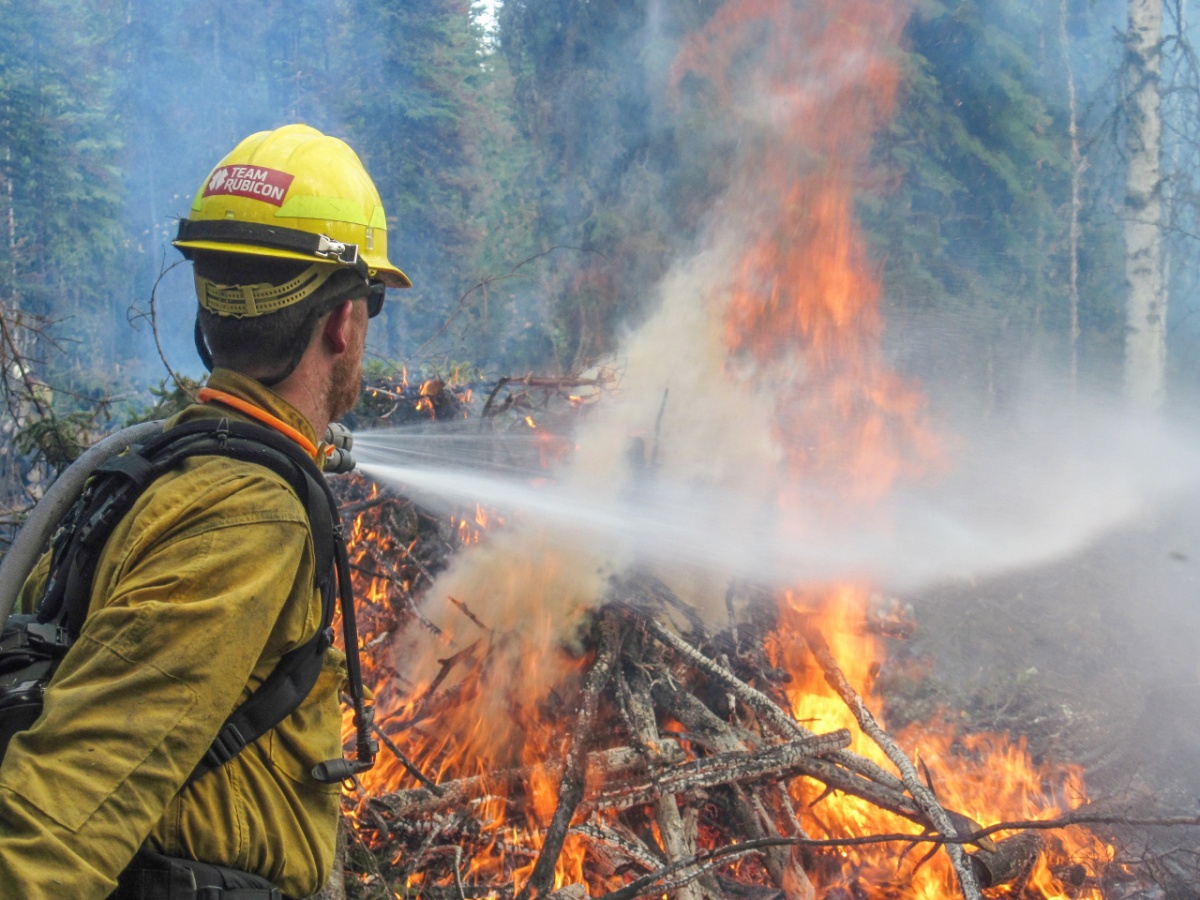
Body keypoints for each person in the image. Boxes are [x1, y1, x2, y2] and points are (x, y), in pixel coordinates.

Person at [0, 123, 410, 899]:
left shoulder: (144, 474)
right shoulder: (251, 516)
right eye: (371, 304)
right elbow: (59, 815)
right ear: (341, 322)